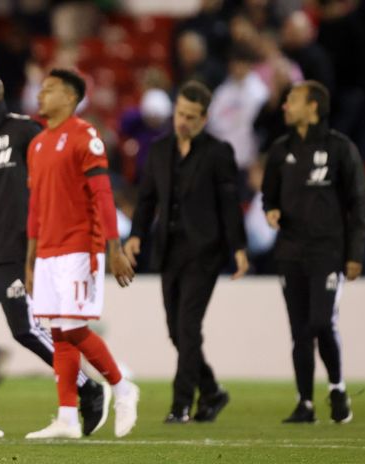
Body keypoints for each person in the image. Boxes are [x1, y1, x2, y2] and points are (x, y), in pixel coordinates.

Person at [0, 71, 108, 438]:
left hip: (16, 253)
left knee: (26, 329)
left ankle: (88, 387)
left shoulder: (25, 132)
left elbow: (58, 181)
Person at [24, 69, 139, 440]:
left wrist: (114, 246)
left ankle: (122, 388)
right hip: (47, 251)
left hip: (79, 247)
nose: (41, 95)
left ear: (71, 98)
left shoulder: (85, 136)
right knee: (58, 332)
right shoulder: (37, 143)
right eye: (41, 89)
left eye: (50, 90)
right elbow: (35, 207)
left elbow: (103, 195)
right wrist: (30, 258)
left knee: (73, 327)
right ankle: (67, 418)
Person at [124, 81, 248, 424]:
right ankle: (212, 392)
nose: (183, 121)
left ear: (204, 119)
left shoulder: (219, 153)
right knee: (176, 330)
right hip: (169, 249)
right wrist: (136, 236)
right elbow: (147, 198)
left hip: (205, 251)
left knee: (188, 327)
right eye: (180, 113)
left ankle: (181, 404)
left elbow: (229, 205)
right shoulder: (160, 149)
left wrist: (238, 247)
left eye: (191, 117)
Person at [261, 80, 365, 424]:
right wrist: (271, 210)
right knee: (300, 332)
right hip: (290, 251)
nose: (284, 106)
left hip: (328, 252)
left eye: (292, 100)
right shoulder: (280, 150)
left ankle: (337, 388)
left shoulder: (340, 149)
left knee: (322, 322)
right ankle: (304, 403)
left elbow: (359, 204)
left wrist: (354, 254)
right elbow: (269, 195)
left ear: (313, 107)